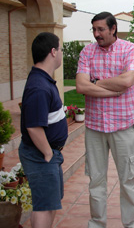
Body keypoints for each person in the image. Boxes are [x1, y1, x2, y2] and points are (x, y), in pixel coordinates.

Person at [76, 11, 134, 228]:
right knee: (96, 180)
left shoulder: (129, 49)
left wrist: (96, 81)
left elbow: (127, 80)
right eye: (94, 29)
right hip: (95, 127)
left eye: (101, 29)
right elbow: (81, 86)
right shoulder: (87, 52)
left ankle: (132, 224)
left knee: (127, 180)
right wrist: (113, 89)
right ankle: (97, 224)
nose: (96, 34)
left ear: (113, 29)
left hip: (123, 125)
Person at [19, 32, 68, 228]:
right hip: (41, 155)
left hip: (48, 154)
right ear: (53, 51)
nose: (62, 54)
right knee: (43, 206)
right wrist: (48, 153)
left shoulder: (43, 80)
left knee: (50, 204)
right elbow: (33, 126)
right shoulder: (39, 87)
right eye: (61, 49)